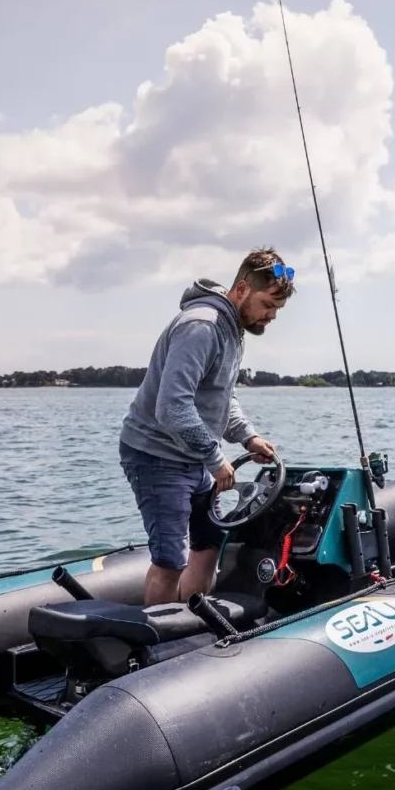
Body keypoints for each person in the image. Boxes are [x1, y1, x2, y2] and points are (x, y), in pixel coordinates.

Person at [118, 247, 296, 604]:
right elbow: (172, 407)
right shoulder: (202, 327)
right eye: (268, 304)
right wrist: (215, 459)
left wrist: (248, 437)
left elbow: (219, 397)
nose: (273, 315)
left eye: (278, 309)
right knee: (170, 560)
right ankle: (160, 647)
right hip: (156, 456)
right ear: (242, 290)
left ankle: (193, 624)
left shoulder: (233, 330)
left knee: (210, 542)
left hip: (192, 458)